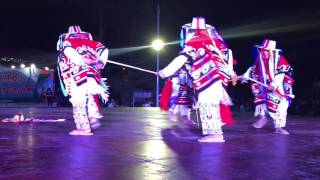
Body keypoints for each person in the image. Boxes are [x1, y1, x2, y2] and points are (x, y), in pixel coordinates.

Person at [158, 17, 236, 142]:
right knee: (211, 106)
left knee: (207, 105)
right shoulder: (216, 46)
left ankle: (214, 135)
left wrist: (163, 73)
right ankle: (215, 133)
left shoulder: (193, 44)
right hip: (216, 81)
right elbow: (227, 64)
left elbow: (180, 60)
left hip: (207, 81)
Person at [56, 25, 109, 135]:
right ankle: (93, 117)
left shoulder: (68, 41)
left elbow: (67, 50)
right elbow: (104, 50)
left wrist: (80, 60)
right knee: (89, 97)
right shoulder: (92, 43)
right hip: (93, 76)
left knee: (78, 101)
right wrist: (101, 62)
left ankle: (84, 128)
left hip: (78, 75)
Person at [241, 39, 294, 134]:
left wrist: (273, 85)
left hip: (278, 85)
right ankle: (263, 118)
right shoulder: (260, 59)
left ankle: (279, 127)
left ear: (272, 51)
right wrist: (244, 76)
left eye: (266, 50)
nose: (263, 52)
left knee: (281, 104)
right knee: (261, 100)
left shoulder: (280, 60)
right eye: (262, 50)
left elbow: (280, 75)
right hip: (264, 83)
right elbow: (253, 69)